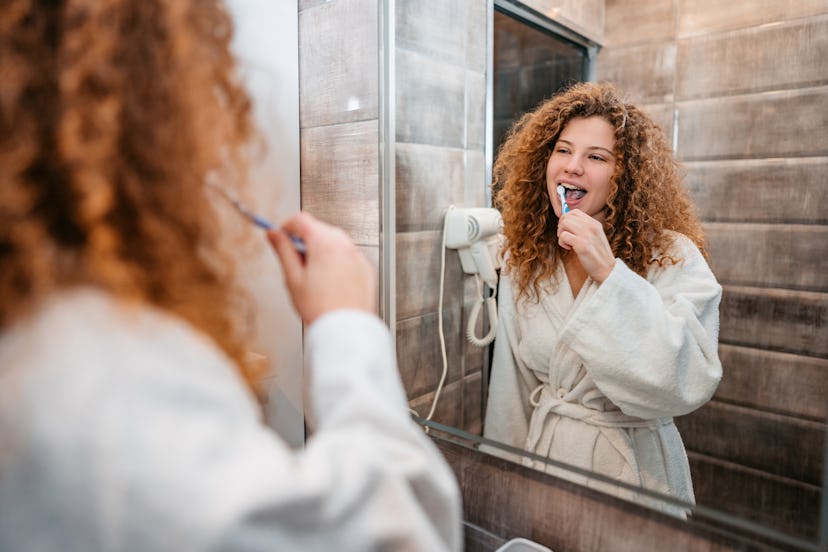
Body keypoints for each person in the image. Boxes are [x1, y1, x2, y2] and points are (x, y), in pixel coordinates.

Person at [0, 2, 460, 550]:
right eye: (207, 81)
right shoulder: (105, 376)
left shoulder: (37, 322)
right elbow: (397, 532)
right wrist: (345, 323)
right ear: (144, 108)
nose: (220, 133)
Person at [482, 82, 722, 515]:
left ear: (623, 175)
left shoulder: (671, 256)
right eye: (563, 150)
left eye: (596, 157)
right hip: (549, 464)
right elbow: (511, 392)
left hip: (635, 474)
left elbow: (687, 380)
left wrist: (608, 272)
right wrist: (504, 489)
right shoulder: (527, 261)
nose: (572, 167)